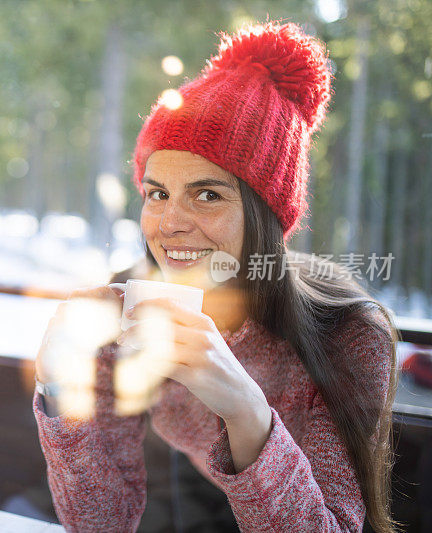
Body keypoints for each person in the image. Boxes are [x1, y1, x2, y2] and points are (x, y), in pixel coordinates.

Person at [33, 21, 399, 533]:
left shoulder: (349, 332)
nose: (170, 224)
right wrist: (57, 384)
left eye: (207, 194)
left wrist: (248, 410)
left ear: (267, 216)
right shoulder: (129, 314)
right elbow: (101, 521)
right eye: (157, 193)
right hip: (192, 494)